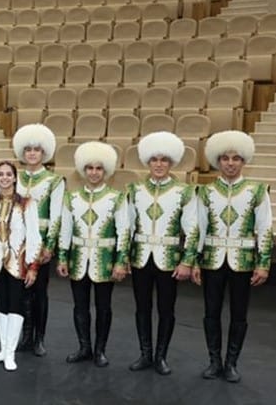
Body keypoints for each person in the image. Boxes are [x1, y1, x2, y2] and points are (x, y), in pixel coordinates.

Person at [195, 130, 271, 383]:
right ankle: (214, 360)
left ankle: (232, 362)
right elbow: (199, 228)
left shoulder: (258, 191)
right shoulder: (205, 192)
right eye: (225, 158)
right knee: (211, 312)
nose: (230, 163)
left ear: (244, 161)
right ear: (218, 161)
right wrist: (194, 260)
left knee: (239, 314)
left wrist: (263, 263)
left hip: (243, 261)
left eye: (236, 158)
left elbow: (265, 228)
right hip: (212, 260)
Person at [124, 131, 199, 376]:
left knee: (166, 309)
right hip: (140, 257)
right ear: (147, 161)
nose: (159, 164)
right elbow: (128, 225)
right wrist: (124, 256)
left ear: (172, 163)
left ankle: (161, 356)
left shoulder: (184, 192)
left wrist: (187, 261)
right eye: (154, 159)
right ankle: (145, 353)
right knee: (141, 307)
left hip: (169, 260)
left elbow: (192, 228)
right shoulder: (134, 190)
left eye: (164, 160)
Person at [57, 142, 129, 368]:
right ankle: (84, 347)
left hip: (105, 261)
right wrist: (62, 256)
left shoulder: (116, 197)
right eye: (89, 168)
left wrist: (120, 261)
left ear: (105, 170)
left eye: (99, 168)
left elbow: (124, 231)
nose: (94, 173)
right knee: (80, 306)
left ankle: (100, 350)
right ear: (83, 170)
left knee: (103, 306)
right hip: (78, 260)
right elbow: (65, 229)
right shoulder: (72, 197)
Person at [11, 124, 64, 357]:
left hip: (40, 244)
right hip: (16, 244)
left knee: (40, 292)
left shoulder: (54, 181)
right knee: (20, 292)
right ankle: (25, 335)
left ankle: (39, 338)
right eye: (28, 149)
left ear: (44, 153)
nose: (32, 153)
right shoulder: (13, 178)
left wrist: (49, 246)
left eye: (37, 150)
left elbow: (56, 216)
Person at [0, 161, 41, 372]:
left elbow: (34, 236)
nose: (5, 178)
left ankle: (10, 353)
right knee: (1, 305)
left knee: (16, 305)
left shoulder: (26, 203)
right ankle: (2, 349)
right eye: (1, 174)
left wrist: (33, 266)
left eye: (9, 174)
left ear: (15, 178)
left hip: (18, 262)